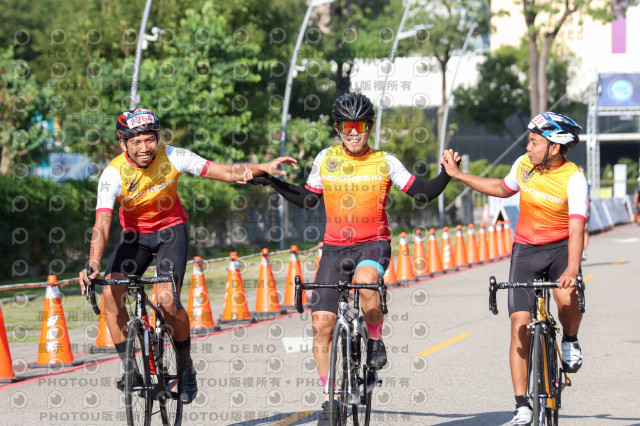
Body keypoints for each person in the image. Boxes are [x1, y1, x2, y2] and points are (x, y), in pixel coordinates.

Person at [249, 92, 454, 425]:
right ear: (338, 128)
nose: (353, 132)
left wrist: (446, 174)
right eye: (347, 126)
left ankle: (375, 340)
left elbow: (421, 193)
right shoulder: (325, 159)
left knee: (366, 282)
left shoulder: (385, 161)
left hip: (373, 244)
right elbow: (309, 200)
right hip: (334, 249)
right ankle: (330, 398)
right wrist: (272, 181)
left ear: (369, 127)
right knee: (321, 326)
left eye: (359, 126)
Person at [78, 108, 297, 404]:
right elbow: (102, 223)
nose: (144, 148)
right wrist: (93, 264)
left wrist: (263, 167)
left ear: (158, 138)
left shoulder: (174, 156)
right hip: (134, 238)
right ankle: (130, 369)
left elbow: (225, 172)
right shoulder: (113, 173)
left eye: (150, 140)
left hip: (171, 232)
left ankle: (185, 365)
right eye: (136, 142)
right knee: (110, 294)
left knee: (167, 300)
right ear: (123, 144)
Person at [441, 111, 587, 426]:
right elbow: (501, 187)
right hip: (526, 250)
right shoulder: (523, 166)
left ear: (554, 147)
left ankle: (570, 338)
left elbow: (577, 228)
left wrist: (572, 269)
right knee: (519, 326)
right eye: (528, 141)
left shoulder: (574, 178)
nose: (528, 147)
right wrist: (459, 175)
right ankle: (522, 405)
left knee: (566, 296)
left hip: (560, 249)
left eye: (534, 142)